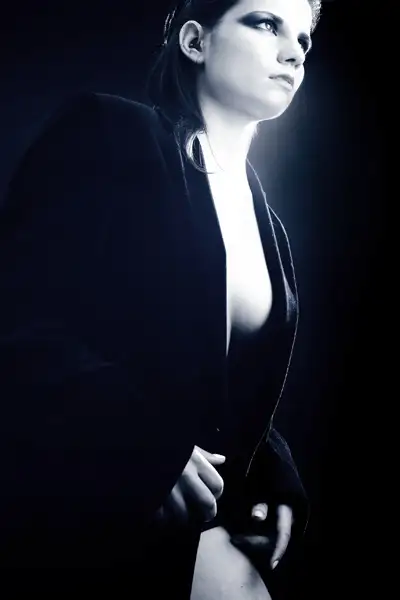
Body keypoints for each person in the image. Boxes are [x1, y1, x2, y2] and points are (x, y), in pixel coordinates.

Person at [0, 0, 321, 597]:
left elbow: (217, 385)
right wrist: (138, 444)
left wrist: (274, 477)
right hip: (82, 527)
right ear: (195, 41)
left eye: (303, 38)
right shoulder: (109, 132)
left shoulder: (270, 229)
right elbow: (20, 321)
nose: (294, 52)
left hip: (203, 542)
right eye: (265, 23)